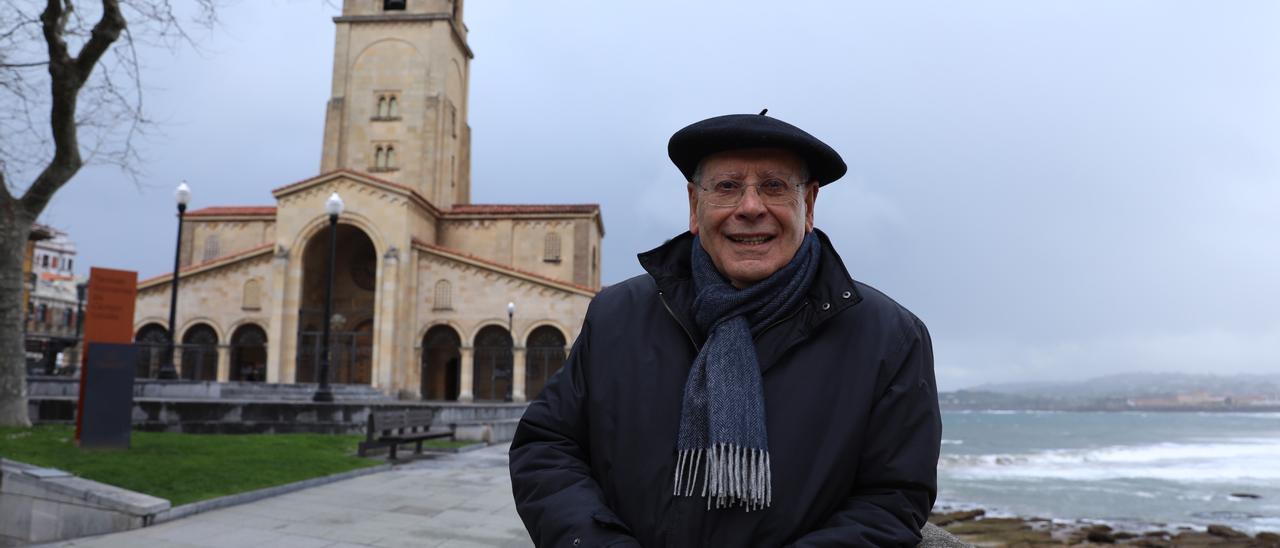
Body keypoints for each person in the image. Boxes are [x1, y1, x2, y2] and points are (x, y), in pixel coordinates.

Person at [509, 112, 942, 547]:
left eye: (774, 186)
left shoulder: (891, 339)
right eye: (727, 187)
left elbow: (893, 498)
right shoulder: (615, 316)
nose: (750, 207)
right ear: (695, 206)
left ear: (808, 206)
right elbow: (547, 447)